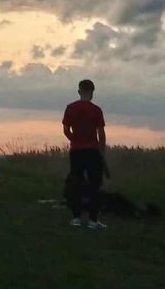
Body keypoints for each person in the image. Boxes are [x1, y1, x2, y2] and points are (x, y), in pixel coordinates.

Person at [62, 78, 109, 230]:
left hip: (76, 151)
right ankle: (93, 221)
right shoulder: (96, 110)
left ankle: (76, 218)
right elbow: (101, 133)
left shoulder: (70, 108)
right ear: (92, 92)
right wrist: (102, 150)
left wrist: (74, 139)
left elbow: (66, 130)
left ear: (79, 91)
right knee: (95, 185)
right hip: (92, 151)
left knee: (76, 183)